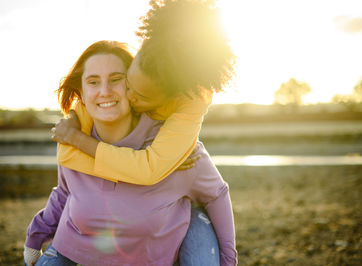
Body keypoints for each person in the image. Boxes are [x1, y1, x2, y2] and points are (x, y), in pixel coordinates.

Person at [24, 40, 237, 265]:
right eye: (93, 82)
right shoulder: (71, 140)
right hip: (74, 251)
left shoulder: (174, 151)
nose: (105, 91)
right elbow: (65, 193)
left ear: (133, 85)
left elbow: (216, 194)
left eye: (117, 79)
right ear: (82, 94)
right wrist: (35, 237)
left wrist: (228, 260)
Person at [51, 0, 236, 186]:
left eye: (141, 96)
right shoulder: (148, 61)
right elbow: (67, 154)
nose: (129, 96)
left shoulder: (193, 101)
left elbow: (148, 171)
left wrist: (165, 164)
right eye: (128, 84)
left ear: (170, 97)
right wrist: (74, 118)